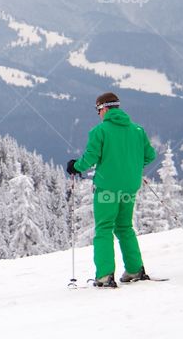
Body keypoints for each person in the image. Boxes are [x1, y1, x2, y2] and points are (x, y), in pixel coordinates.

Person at [67, 92, 156, 288]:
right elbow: (150, 155)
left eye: (98, 110)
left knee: (104, 229)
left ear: (104, 108)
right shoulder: (137, 130)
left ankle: (105, 275)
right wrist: (131, 165)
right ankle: (135, 269)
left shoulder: (100, 131)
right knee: (125, 227)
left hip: (107, 189)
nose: (98, 114)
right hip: (130, 187)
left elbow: (90, 159)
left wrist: (75, 166)